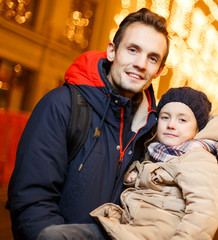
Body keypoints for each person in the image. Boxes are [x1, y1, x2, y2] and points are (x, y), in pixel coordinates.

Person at [6, 8, 170, 240]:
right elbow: (32, 202)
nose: (141, 64)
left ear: (159, 71)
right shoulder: (62, 105)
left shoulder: (152, 132)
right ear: (112, 51)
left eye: (152, 58)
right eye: (133, 50)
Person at [36, 87, 218, 240]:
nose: (171, 125)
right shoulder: (156, 151)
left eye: (182, 120)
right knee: (53, 235)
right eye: (165, 117)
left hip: (153, 235)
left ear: (197, 128)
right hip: (126, 228)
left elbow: (205, 212)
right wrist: (134, 173)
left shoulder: (197, 157)